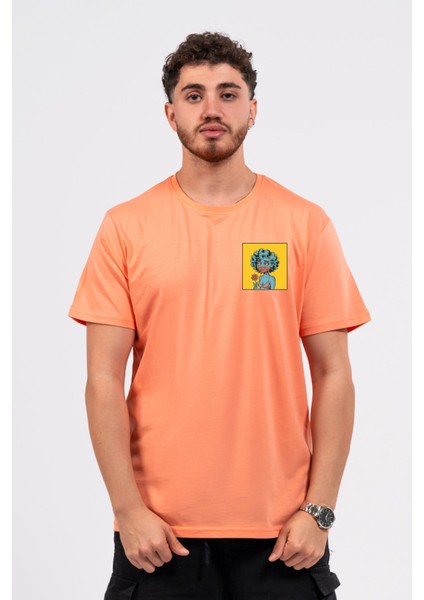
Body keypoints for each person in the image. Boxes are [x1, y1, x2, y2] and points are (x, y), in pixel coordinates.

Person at [69, 31, 370, 600]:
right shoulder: (125, 227)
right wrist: (128, 511)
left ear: (252, 109)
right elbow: (102, 379)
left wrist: (321, 510)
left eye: (228, 94)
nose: (212, 109)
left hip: (285, 538)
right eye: (194, 95)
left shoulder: (305, 224)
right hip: (158, 538)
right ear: (170, 113)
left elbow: (334, 375)